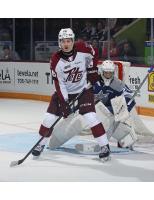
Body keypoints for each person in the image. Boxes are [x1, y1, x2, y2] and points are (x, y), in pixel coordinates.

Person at [31, 28, 111, 161]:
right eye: (63, 41)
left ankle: (105, 146)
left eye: (68, 41)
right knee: (48, 119)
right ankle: (40, 144)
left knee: (90, 117)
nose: (66, 44)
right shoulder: (55, 60)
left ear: (73, 41)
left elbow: (94, 52)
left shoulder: (82, 47)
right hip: (63, 93)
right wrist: (64, 103)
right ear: (59, 43)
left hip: (83, 90)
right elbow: (59, 84)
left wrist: (92, 70)